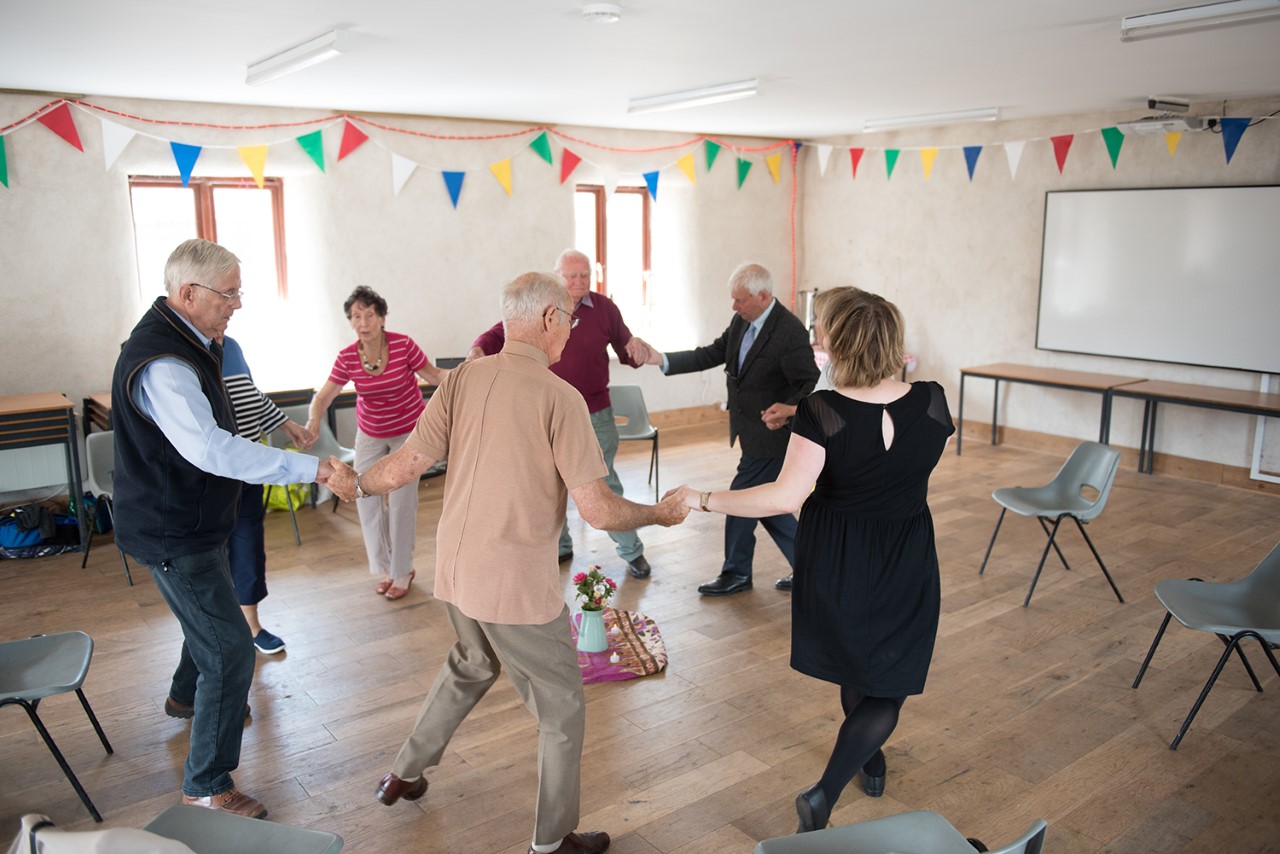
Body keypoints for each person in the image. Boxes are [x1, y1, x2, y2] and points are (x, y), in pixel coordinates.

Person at [327, 272, 689, 854]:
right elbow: (597, 510)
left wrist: (357, 486)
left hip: (455, 566)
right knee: (563, 706)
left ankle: (405, 772)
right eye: (569, 320)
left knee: (471, 663)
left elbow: (406, 463)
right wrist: (660, 514)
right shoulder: (560, 397)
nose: (571, 331)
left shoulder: (465, 377)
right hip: (513, 583)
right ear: (548, 320)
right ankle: (551, 843)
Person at [668, 288, 954, 833]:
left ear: (837, 346)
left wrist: (702, 499)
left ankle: (834, 784)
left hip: (839, 556)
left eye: (822, 331)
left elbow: (781, 498)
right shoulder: (934, 400)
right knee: (887, 681)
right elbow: (894, 435)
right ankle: (852, 766)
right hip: (904, 553)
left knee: (859, 666)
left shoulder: (824, 412)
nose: (815, 338)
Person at [111, 238, 334, 819]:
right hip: (171, 531)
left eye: (238, 291)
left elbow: (235, 412)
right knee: (231, 650)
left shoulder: (194, 341)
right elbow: (211, 449)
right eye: (228, 293)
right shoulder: (164, 361)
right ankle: (207, 785)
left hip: (193, 522)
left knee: (207, 623)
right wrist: (316, 470)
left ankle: (186, 697)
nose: (237, 304)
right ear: (187, 294)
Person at [629, 262, 819, 595]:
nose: (734, 306)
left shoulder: (789, 331)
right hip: (749, 429)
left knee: (739, 500)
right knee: (770, 508)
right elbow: (712, 353)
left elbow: (808, 382)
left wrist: (789, 409)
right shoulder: (742, 321)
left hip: (774, 435)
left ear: (762, 296)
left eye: (740, 300)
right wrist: (661, 359)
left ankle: (737, 572)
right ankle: (814, 568)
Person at [466, 249, 655, 580]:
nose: (579, 281)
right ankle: (560, 547)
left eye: (584, 274)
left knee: (604, 484)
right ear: (557, 275)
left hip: (594, 413)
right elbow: (498, 332)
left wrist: (636, 346)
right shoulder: (543, 304)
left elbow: (628, 350)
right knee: (548, 485)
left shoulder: (605, 309)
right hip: (543, 412)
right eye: (572, 275)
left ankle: (632, 552)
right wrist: (479, 347)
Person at [305, 286, 448, 600]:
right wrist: (314, 420)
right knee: (366, 499)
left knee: (400, 504)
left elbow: (435, 375)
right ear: (351, 321)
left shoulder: (403, 345)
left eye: (369, 314)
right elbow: (324, 396)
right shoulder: (347, 357)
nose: (363, 321)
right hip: (370, 433)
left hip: (409, 432)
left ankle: (401, 571)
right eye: (356, 316)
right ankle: (387, 567)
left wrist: (468, 376)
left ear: (382, 318)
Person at [219, 334, 313, 654]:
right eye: (228, 296)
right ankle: (215, 633)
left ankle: (251, 627)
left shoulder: (231, 346)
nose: (235, 305)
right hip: (209, 476)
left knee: (248, 547)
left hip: (248, 469)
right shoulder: (185, 348)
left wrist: (287, 425)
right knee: (213, 554)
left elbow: (252, 396)